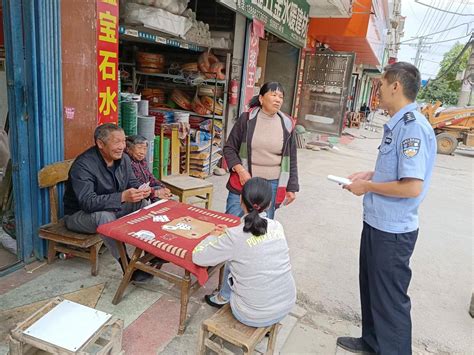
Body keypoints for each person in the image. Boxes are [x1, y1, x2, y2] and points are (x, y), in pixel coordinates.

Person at [337, 62, 436, 354]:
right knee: (371, 289)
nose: (377, 90)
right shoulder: (396, 123)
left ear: (396, 86)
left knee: (390, 299)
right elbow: (397, 172)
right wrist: (371, 175)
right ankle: (371, 342)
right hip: (377, 222)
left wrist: (367, 187)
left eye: (381, 84)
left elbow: (411, 186)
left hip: (393, 231)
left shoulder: (413, 128)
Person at [193, 177, 296, 322]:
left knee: (233, 259)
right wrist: (230, 233)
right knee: (244, 257)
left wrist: (213, 236)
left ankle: (223, 297)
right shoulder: (277, 226)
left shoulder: (234, 237)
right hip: (284, 306)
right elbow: (249, 240)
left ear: (241, 199)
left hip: (251, 314)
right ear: (269, 204)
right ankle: (225, 296)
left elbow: (198, 257)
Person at [63, 123, 154, 282]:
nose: (122, 147)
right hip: (78, 216)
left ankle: (149, 254)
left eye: (123, 141)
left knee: (143, 203)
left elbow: (132, 181)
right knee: (104, 217)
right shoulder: (84, 165)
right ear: (100, 143)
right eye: (116, 142)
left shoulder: (123, 158)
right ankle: (126, 266)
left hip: (112, 208)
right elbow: (87, 203)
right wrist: (122, 197)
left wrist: (141, 189)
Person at [223, 81, 299, 219]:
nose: (278, 99)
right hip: (244, 179)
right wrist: (241, 171)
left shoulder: (287, 124)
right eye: (274, 95)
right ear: (261, 98)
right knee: (232, 221)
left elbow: (292, 157)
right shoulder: (246, 120)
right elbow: (229, 148)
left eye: (281, 97)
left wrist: (292, 187)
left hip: (272, 184)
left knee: (262, 227)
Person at [125, 134, 172, 203]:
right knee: (159, 199)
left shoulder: (142, 159)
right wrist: (155, 192)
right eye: (139, 148)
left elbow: (149, 176)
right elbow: (134, 184)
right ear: (128, 149)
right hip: (136, 192)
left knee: (162, 190)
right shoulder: (126, 161)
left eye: (144, 149)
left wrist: (162, 187)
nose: (142, 152)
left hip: (146, 190)